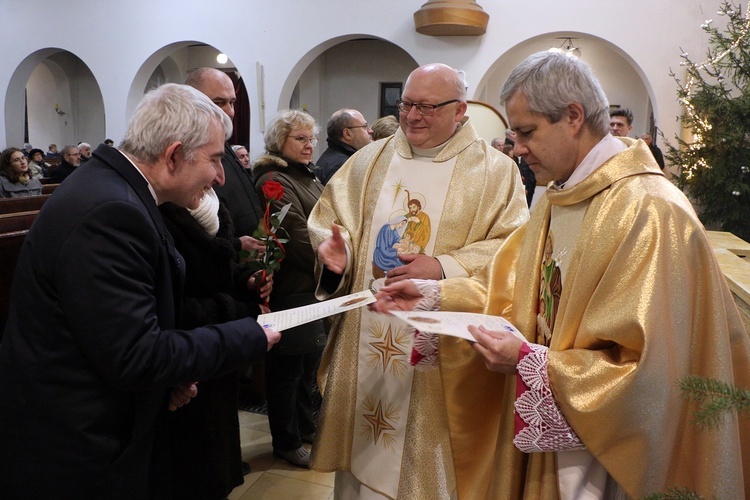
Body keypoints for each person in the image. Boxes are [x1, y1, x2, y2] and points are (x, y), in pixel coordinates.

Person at [373, 50, 750, 499]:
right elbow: (510, 290)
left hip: (607, 455)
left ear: (573, 116)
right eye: (514, 134)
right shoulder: (562, 196)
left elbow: (654, 377)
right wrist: (437, 296)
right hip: (553, 439)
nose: (517, 149)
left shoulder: (650, 211)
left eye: (527, 132)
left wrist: (536, 365)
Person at [0, 83, 281, 499]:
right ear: (173, 155)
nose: (220, 177)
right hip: (79, 445)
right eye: (215, 160)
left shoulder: (119, 191)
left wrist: (167, 380)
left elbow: (111, 331)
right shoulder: (111, 212)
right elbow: (134, 355)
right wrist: (250, 334)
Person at [307, 63, 529, 498]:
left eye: (427, 106)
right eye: (406, 104)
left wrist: (443, 266)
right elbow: (335, 221)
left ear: (460, 109)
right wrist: (340, 255)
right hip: (366, 333)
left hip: (435, 349)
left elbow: (512, 249)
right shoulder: (370, 160)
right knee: (359, 468)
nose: (412, 116)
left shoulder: (495, 171)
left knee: (422, 471)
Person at [159, 186, 273, 499]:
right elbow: (171, 304)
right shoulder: (160, 214)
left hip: (218, 348)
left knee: (216, 454)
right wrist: (239, 312)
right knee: (193, 468)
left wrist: (248, 279)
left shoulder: (208, 205)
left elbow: (220, 269)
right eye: (213, 160)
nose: (221, 176)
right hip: (188, 357)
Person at [253, 109, 326, 468]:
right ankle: (286, 439)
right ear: (279, 141)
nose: (309, 145)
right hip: (291, 285)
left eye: (311, 138)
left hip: (314, 284)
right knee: (287, 370)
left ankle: (306, 427)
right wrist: (334, 257)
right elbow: (296, 235)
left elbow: (329, 218)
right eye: (300, 138)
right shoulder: (274, 179)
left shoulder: (306, 176)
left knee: (308, 366)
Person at [186, 68, 265, 247]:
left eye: (232, 103)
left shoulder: (225, 145)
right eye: (219, 103)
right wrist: (235, 247)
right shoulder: (186, 155)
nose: (230, 112)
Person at [315, 108, 373, 185]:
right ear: (347, 134)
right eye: (365, 126)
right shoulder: (341, 166)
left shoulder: (336, 157)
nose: (371, 131)